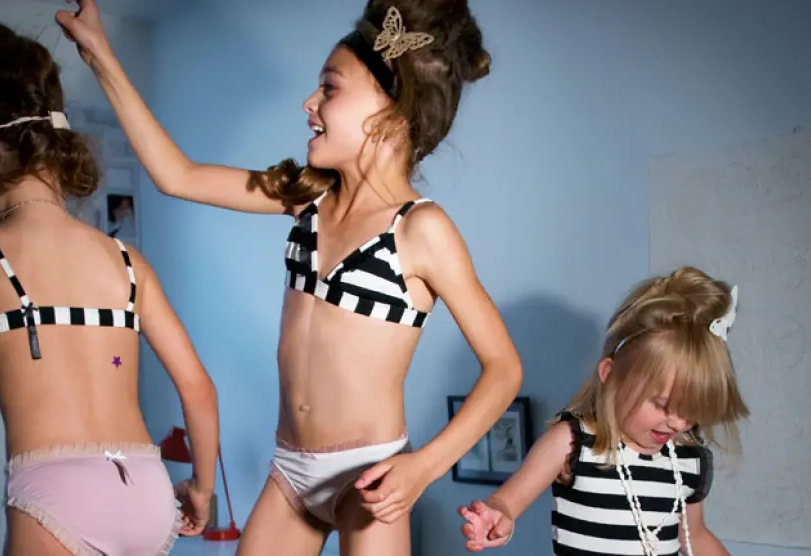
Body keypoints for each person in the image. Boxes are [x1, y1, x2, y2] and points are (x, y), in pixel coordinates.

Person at [56, 0, 523, 554]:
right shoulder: (308, 198)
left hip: (369, 473)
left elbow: (503, 369)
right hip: (290, 471)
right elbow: (176, 175)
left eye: (329, 88)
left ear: (390, 107)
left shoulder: (421, 229)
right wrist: (100, 55)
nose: (309, 103)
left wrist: (423, 468)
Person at [0, 21, 219, 556]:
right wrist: (201, 489)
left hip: (57, 492)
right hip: (146, 488)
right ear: (56, 150)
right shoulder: (127, 262)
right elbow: (198, 388)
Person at [459, 267, 750, 556]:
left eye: (692, 410)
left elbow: (694, 536)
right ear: (610, 376)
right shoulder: (573, 443)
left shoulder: (688, 460)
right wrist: (497, 515)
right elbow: (508, 501)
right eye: (662, 405)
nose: (677, 422)